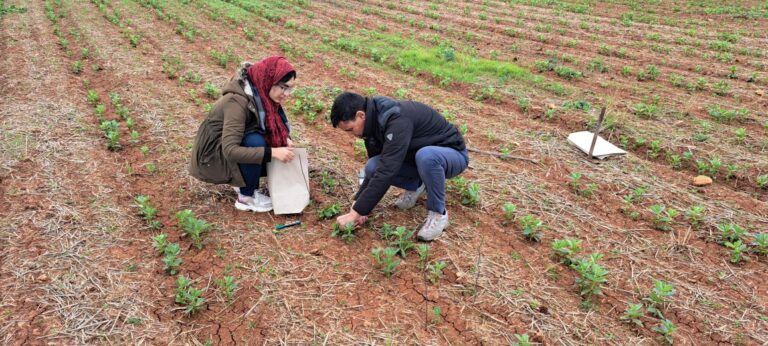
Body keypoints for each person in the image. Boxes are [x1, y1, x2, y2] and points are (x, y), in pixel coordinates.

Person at [330, 92, 469, 241]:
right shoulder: (371, 126)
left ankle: (438, 213)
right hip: (417, 159)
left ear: (361, 115)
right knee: (373, 166)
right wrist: (359, 207)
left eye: (350, 129)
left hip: (452, 155)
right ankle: (416, 186)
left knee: (427, 156)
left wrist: (355, 213)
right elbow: (378, 171)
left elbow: (387, 172)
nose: (352, 135)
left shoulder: (396, 120)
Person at [189, 56, 297, 212]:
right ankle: (246, 198)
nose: (286, 94)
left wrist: (284, 140)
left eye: (290, 89)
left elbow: (271, 126)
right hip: (211, 157)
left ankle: (244, 182)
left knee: (271, 144)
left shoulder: (263, 95)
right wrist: (273, 152)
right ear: (269, 80)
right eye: (283, 87)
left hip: (227, 150)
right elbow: (230, 150)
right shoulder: (237, 101)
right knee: (255, 142)